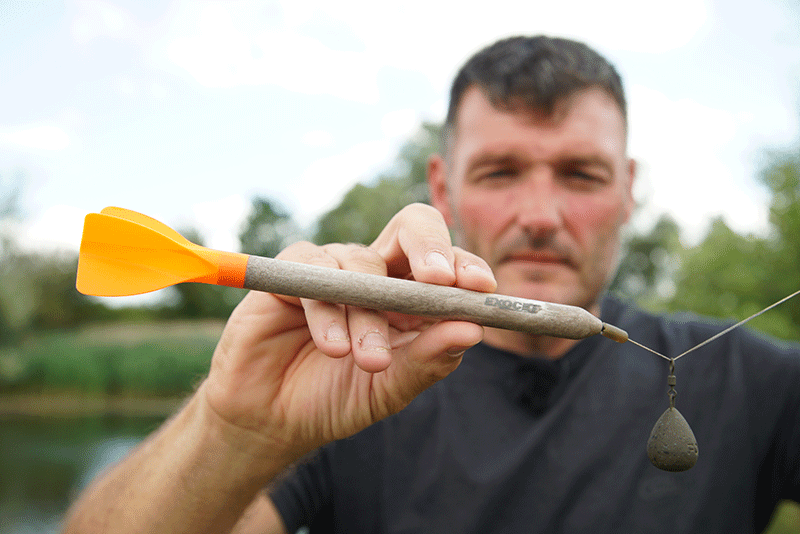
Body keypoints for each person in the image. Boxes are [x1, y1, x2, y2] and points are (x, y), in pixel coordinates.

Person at [62, 35, 800, 534]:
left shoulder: (755, 379)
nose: (541, 215)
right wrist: (234, 431)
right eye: (500, 172)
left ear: (629, 188)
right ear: (443, 188)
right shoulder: (350, 375)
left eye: (581, 174)